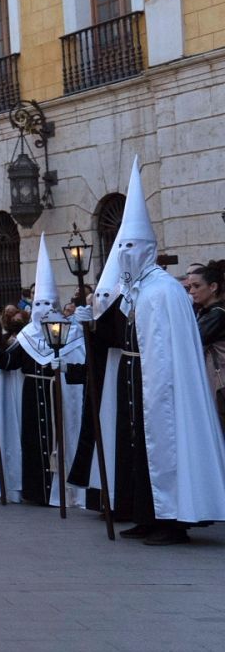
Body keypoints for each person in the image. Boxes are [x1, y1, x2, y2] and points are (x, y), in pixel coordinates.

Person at [79, 159, 225, 545]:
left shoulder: (163, 291)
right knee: (136, 450)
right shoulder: (135, 292)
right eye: (120, 246)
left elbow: (165, 349)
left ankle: (172, 521)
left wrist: (157, 386)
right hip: (135, 385)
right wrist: (90, 321)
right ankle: (145, 514)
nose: (125, 253)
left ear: (149, 250)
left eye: (133, 246)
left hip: (162, 388)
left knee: (164, 448)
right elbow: (118, 338)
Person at [0, 236, 85, 507]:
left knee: (63, 438)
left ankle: (64, 492)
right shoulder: (27, 336)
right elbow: (10, 364)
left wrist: (65, 367)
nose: (44, 310)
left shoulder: (72, 334)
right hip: (32, 394)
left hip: (60, 395)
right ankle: (36, 491)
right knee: (33, 442)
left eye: (49, 305)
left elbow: (82, 366)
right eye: (39, 304)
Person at [188, 260, 225, 425]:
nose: (192, 291)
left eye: (196, 286)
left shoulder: (218, 314)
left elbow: (192, 340)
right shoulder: (206, 312)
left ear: (213, 287)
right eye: (190, 287)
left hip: (220, 384)